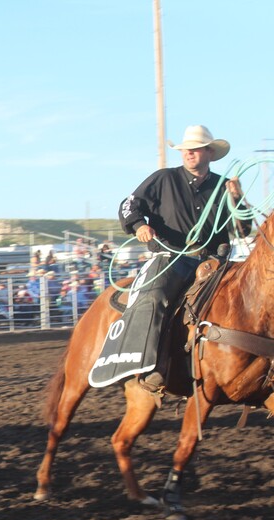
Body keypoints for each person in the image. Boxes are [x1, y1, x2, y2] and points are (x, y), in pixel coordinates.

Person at [90, 125, 254, 393]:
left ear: (209, 153)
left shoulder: (223, 187)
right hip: (172, 256)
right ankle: (151, 364)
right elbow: (129, 205)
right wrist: (138, 225)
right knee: (154, 296)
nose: (189, 152)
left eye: (196, 148)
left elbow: (242, 230)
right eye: (186, 148)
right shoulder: (163, 179)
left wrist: (237, 198)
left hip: (214, 261)